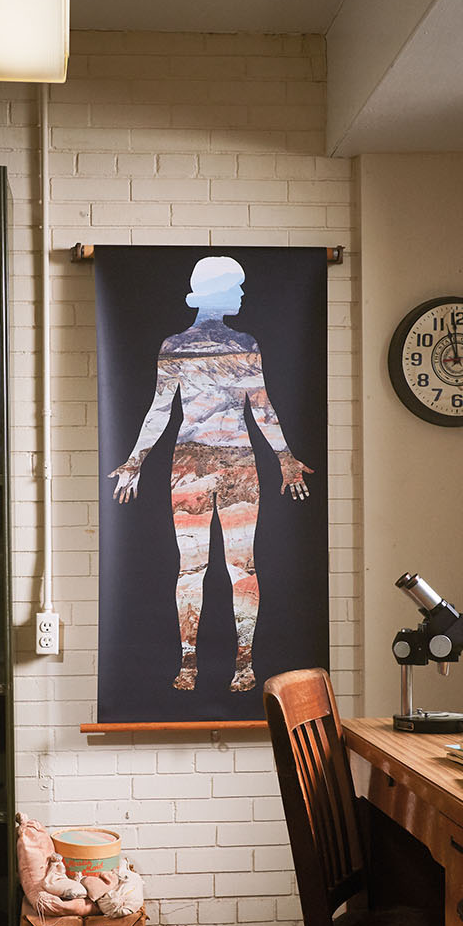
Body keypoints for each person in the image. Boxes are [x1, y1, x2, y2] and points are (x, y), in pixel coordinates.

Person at [110, 255, 312, 692]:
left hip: (190, 464)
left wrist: (135, 460)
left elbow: (160, 411)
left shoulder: (174, 346)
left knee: (191, 568)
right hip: (236, 461)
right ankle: (243, 666)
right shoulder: (245, 344)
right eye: (236, 288)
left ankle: (189, 666)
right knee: (242, 567)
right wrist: (284, 456)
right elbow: (260, 408)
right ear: (221, 294)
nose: (242, 295)